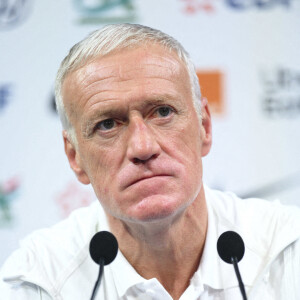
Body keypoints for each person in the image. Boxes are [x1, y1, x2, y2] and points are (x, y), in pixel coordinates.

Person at [1, 24, 300, 300]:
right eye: (107, 124)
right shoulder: (37, 281)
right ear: (75, 157)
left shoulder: (287, 251)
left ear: (204, 127)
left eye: (162, 112)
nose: (142, 147)